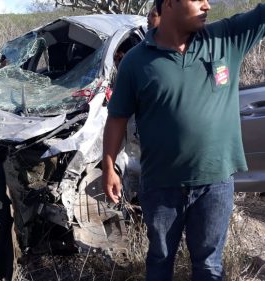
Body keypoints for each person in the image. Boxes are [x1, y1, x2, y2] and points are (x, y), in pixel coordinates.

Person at [102, 1, 264, 280]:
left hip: (215, 182)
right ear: (170, 4)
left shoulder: (225, 38)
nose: (207, 5)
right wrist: (108, 167)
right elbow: (117, 118)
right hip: (161, 184)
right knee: (160, 260)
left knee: (209, 265)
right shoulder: (136, 62)